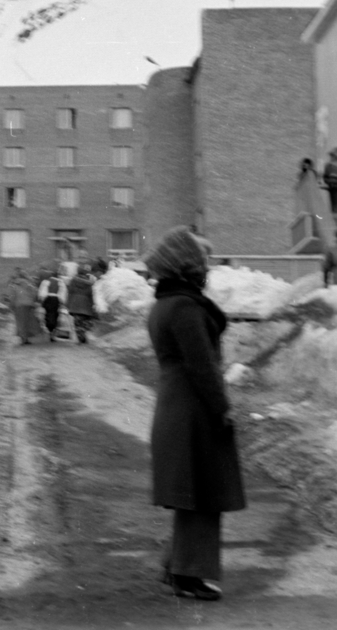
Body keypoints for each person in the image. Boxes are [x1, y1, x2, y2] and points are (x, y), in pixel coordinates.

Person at [146, 226, 245, 601]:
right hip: (193, 407)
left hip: (177, 405)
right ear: (186, 269)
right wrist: (223, 408)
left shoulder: (165, 304)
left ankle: (177, 566)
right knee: (204, 493)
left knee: (193, 490)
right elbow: (202, 366)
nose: (207, 271)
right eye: (201, 265)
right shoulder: (185, 307)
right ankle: (190, 575)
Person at [5, 269, 39, 345]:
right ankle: (26, 338)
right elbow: (34, 293)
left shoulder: (14, 285)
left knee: (20, 322)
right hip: (29, 305)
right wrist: (32, 301)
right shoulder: (29, 284)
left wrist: (11, 306)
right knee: (27, 322)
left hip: (19, 305)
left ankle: (23, 339)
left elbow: (12, 297)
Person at [66, 268, 97, 344]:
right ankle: (82, 333)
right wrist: (92, 304)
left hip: (74, 303)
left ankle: (80, 336)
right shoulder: (89, 283)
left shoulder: (73, 281)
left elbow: (70, 291)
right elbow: (90, 294)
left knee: (77, 322)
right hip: (86, 304)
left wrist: (68, 303)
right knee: (85, 321)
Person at [37, 270, 67, 341]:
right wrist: (62, 301)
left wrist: (41, 299)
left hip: (47, 299)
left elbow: (42, 292)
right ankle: (53, 330)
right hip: (56, 299)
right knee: (55, 314)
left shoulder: (46, 281)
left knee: (47, 314)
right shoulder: (60, 282)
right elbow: (63, 292)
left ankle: (49, 328)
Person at [324, 150, 337, 214]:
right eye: (332, 156)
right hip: (332, 187)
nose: (332, 157)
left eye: (333, 156)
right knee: (333, 204)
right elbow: (325, 177)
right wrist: (329, 182)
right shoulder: (328, 166)